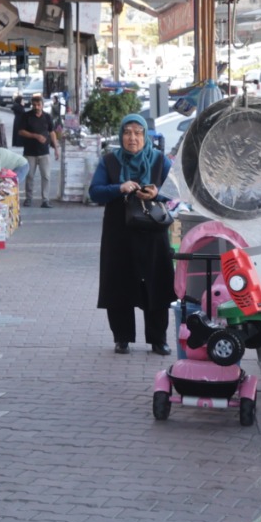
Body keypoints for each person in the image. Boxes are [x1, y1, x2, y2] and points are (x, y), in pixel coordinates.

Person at [92, 112, 174, 353]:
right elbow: (95, 192)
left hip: (153, 232)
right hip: (119, 232)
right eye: (127, 133)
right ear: (121, 135)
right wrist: (119, 187)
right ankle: (122, 337)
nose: (132, 138)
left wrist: (157, 194)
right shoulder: (109, 161)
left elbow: (176, 192)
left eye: (138, 133)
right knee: (119, 282)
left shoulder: (160, 160)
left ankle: (158, 339)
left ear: (145, 136)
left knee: (156, 283)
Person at [15, 94, 59, 206]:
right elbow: (20, 131)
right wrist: (35, 136)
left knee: (46, 176)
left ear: (42, 105)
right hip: (30, 152)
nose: (36, 107)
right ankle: (29, 198)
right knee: (29, 176)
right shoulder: (26, 116)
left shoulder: (47, 117)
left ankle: (45, 200)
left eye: (38, 105)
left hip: (44, 152)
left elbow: (52, 132)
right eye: (34, 105)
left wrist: (56, 148)